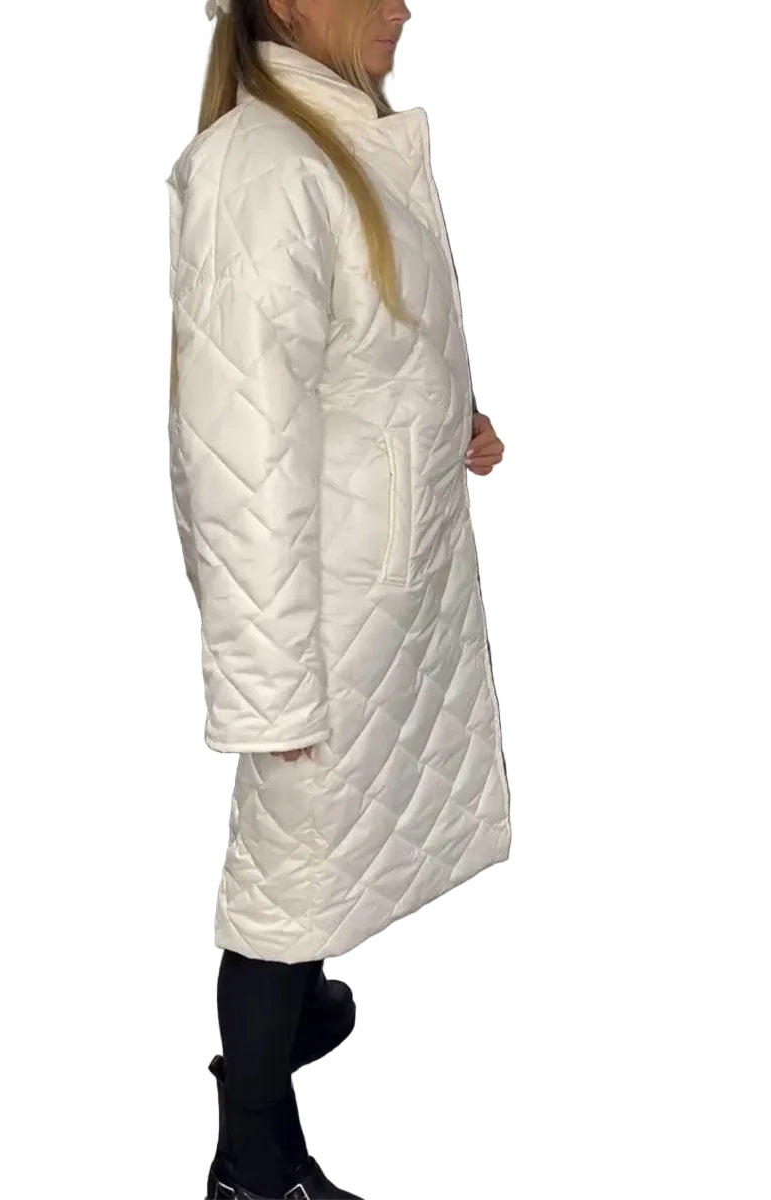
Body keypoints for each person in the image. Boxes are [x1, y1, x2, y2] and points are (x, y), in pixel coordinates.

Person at [165, 2, 512, 1196]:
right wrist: (267, 690)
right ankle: (253, 1152)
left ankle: (302, 1003)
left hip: (381, 580)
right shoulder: (260, 171)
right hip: (318, 605)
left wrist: (448, 414)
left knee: (324, 844)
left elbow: (368, 340)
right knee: (285, 872)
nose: (403, 7)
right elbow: (237, 457)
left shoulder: (343, 135)